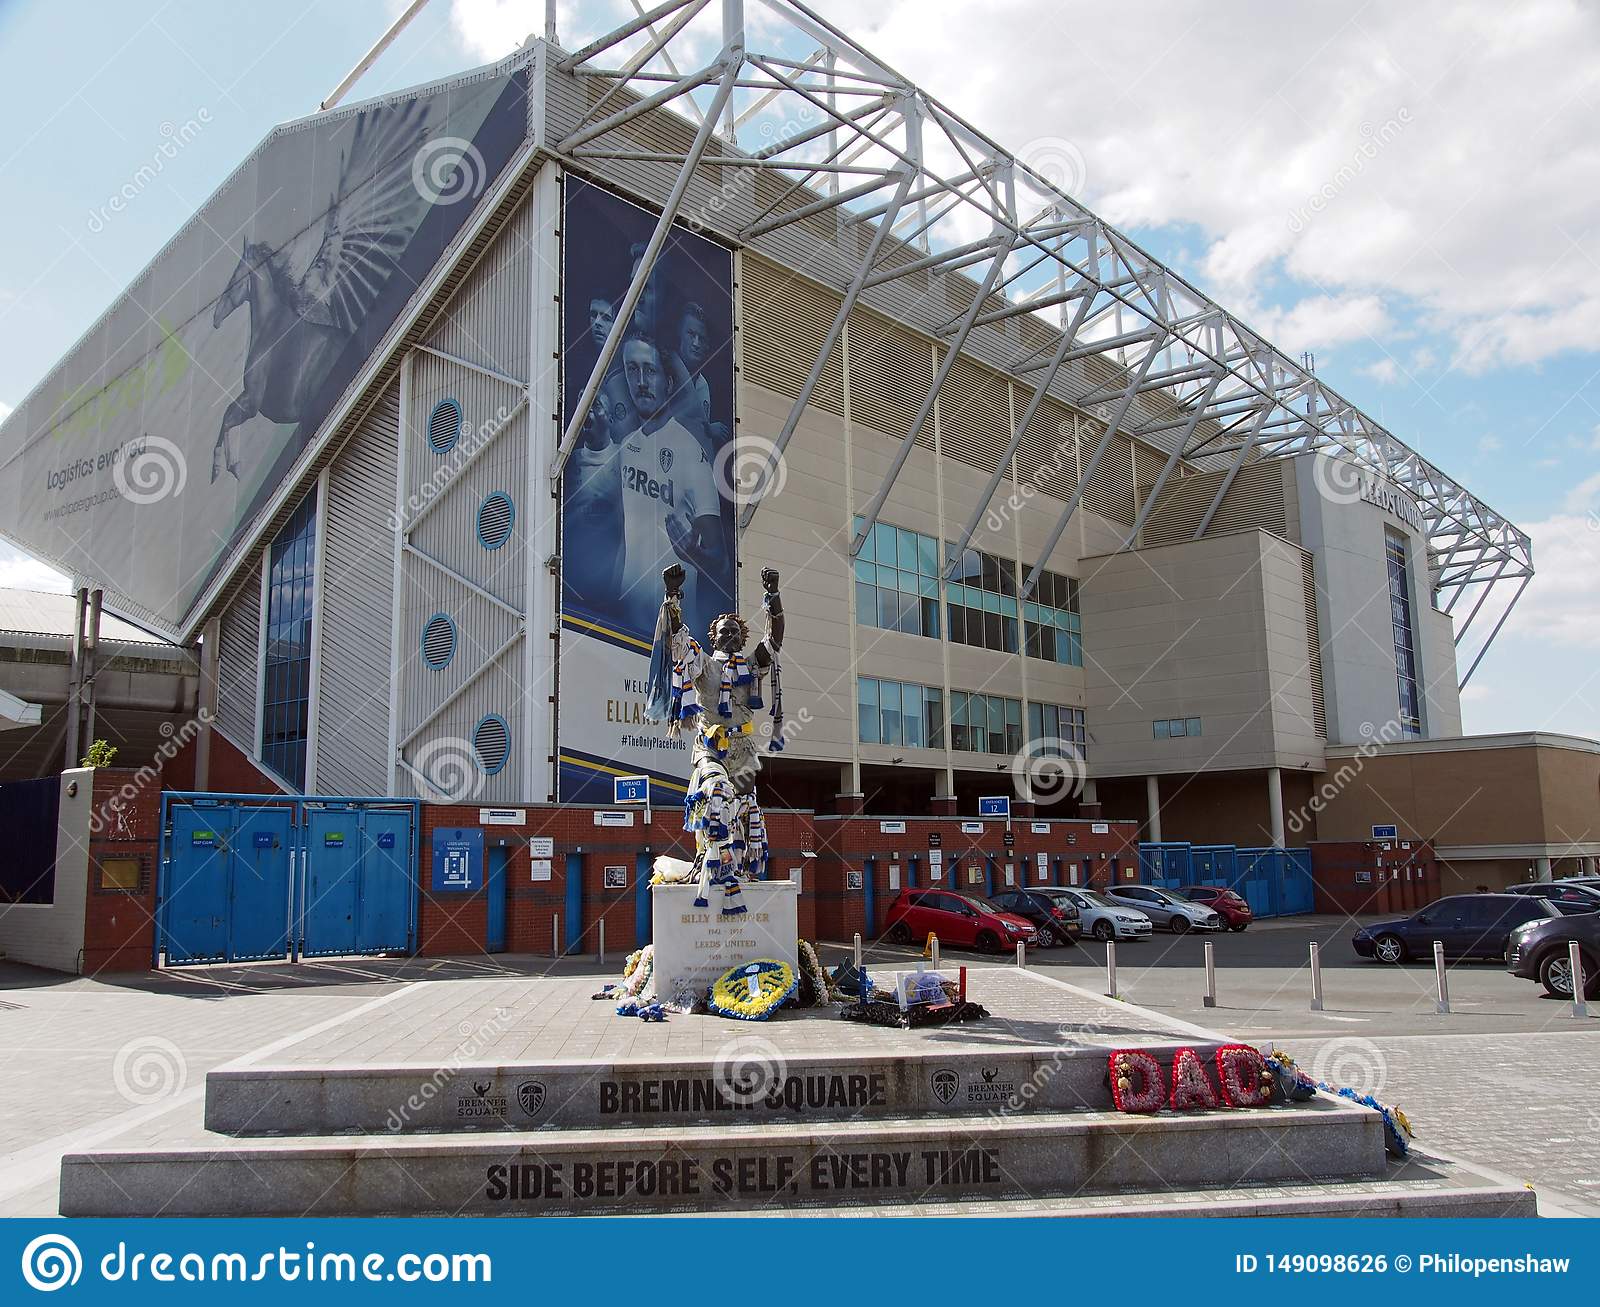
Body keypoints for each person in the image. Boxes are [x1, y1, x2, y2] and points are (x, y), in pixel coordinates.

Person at [568, 332, 731, 639]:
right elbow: (623, 534)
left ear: (668, 382)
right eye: (632, 369)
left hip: (675, 636)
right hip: (626, 627)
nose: (641, 381)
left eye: (650, 370)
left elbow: (722, 564)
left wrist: (694, 554)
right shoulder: (628, 447)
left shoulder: (691, 453)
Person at [650, 563, 785, 916]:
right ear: (714, 638)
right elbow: (677, 639)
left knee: (743, 809)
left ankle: (733, 868)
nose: (729, 636)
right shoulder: (704, 664)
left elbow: (775, 639)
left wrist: (773, 596)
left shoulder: (752, 667)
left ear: (742, 638)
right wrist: (673, 595)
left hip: (744, 749)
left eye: (734, 632)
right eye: (723, 632)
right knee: (717, 792)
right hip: (710, 747)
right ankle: (709, 865)